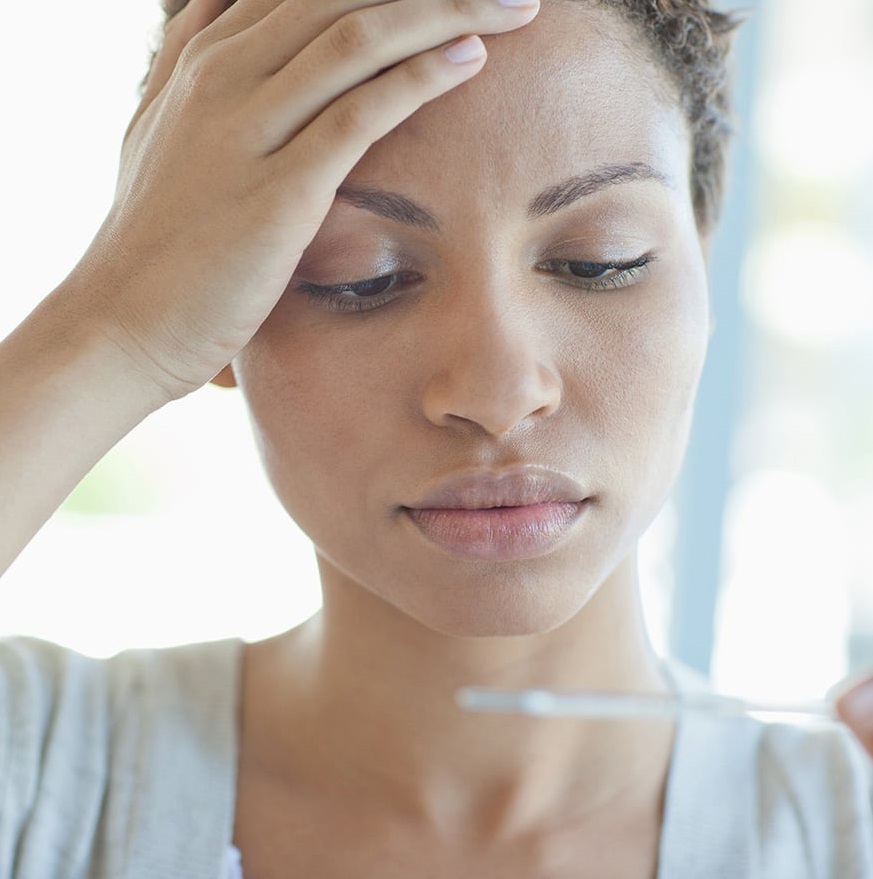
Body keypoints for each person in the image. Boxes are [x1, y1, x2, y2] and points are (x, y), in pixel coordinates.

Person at [1, 0, 872, 876]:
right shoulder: (45, 778)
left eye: (598, 261)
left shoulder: (849, 826)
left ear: (701, 254)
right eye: (362, 278)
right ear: (219, 305)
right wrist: (114, 327)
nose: (497, 394)